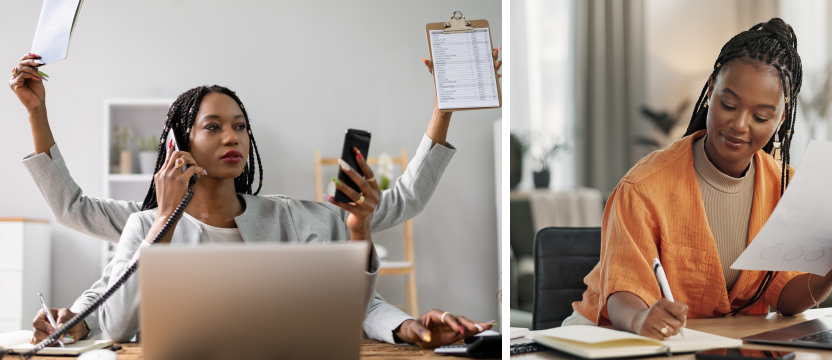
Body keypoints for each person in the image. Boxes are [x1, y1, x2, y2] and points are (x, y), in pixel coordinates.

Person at [9, 49, 501, 348]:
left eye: (241, 126)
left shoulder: (295, 219)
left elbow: (400, 208)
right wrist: (36, 115)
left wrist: (443, 111)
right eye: (214, 127)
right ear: (178, 144)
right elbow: (86, 239)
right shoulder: (146, 222)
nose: (233, 137)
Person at [562, 18, 832, 340]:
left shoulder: (786, 188)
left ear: (781, 119)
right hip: (614, 336)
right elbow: (622, 294)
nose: (739, 125)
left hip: (711, 342)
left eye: (760, 116)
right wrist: (642, 318)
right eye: (729, 104)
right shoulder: (643, 188)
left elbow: (786, 299)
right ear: (711, 90)